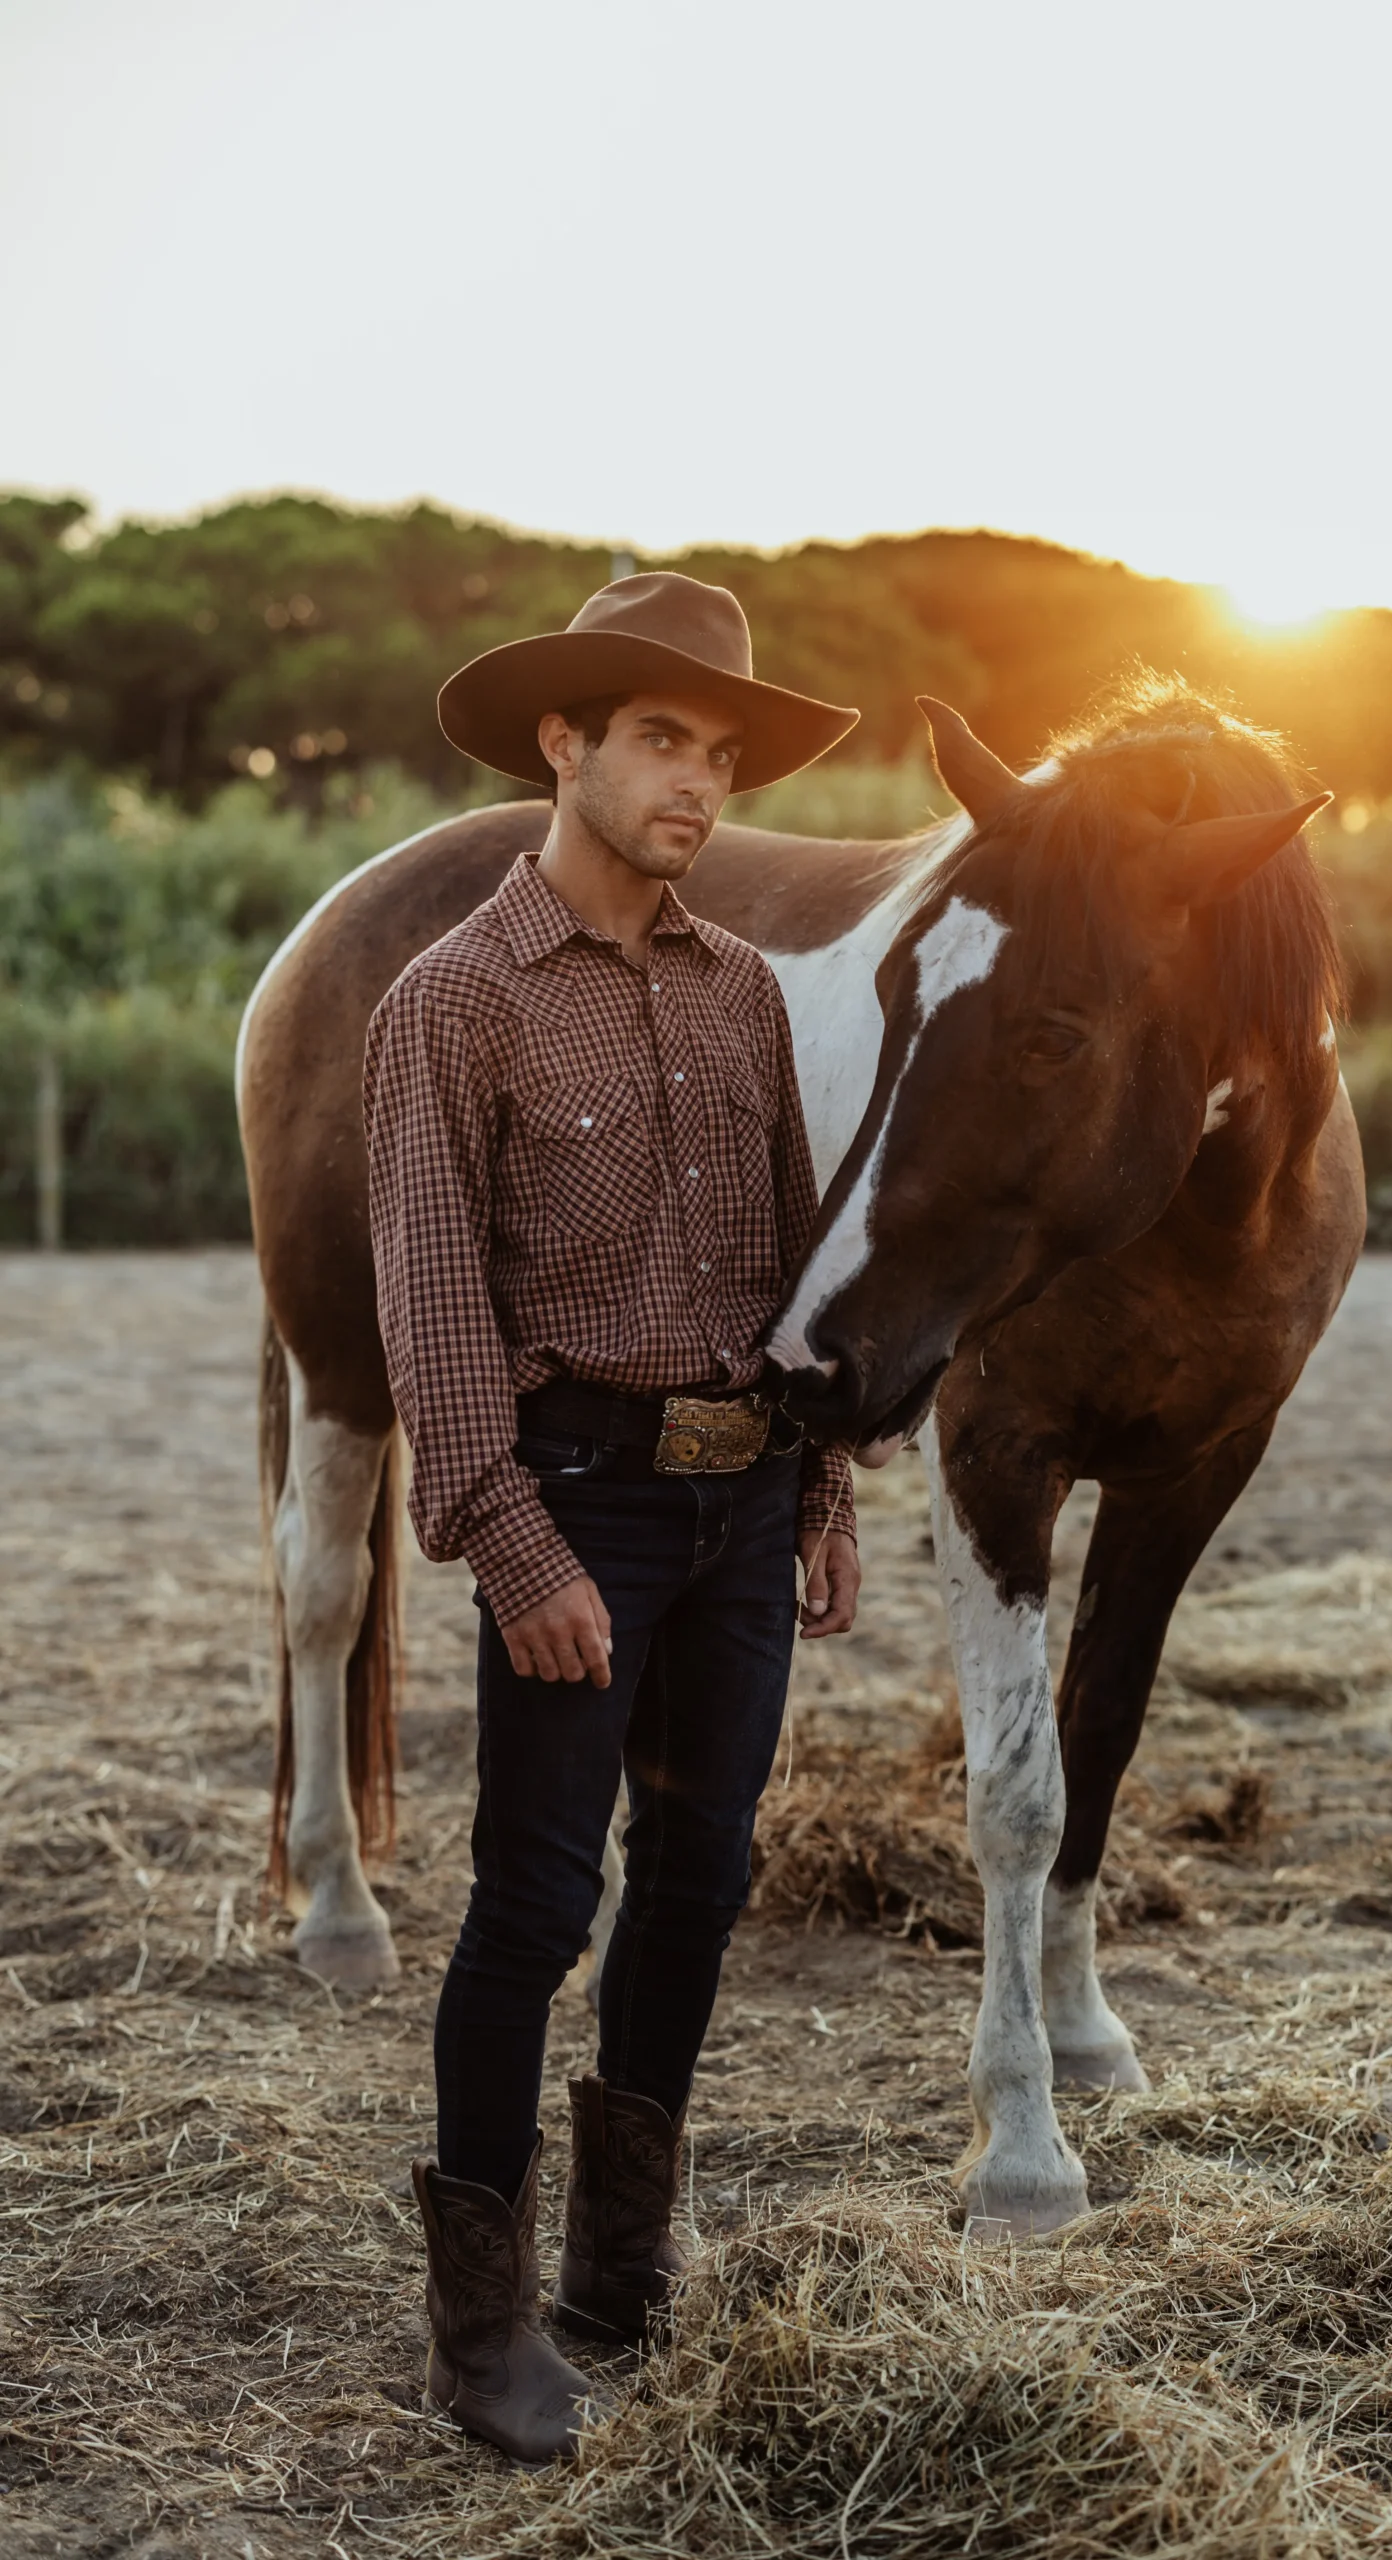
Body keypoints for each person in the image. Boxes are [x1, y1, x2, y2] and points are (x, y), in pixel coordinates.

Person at [363, 572, 862, 2462]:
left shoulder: (743, 995)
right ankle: (478, 2335)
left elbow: (788, 1259)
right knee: (531, 1904)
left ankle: (618, 2268)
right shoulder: (451, 1007)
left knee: (705, 1876)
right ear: (563, 743)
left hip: (742, 1511)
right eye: (666, 741)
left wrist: (818, 1486)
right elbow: (431, 1306)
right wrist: (511, 1542)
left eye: (724, 756)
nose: (701, 786)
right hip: (571, 1500)